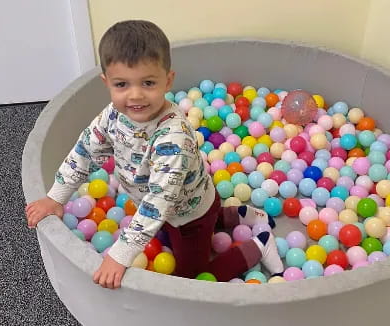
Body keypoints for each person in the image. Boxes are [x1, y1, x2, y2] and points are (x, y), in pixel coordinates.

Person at [25, 20, 283, 289]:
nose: (135, 96)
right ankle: (234, 214)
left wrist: (121, 255)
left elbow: (159, 202)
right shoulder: (114, 115)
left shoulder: (173, 136)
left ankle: (258, 246)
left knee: (192, 280)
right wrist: (57, 196)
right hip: (184, 199)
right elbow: (86, 149)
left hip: (188, 215)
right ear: (107, 82)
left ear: (168, 80)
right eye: (122, 84)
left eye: (148, 83)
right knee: (196, 220)